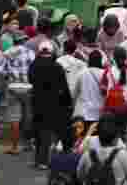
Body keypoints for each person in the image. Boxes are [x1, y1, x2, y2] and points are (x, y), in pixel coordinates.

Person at [29, 40, 73, 169]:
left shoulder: (33, 65)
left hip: (37, 102)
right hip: (53, 104)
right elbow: (64, 87)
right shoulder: (57, 66)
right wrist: (68, 102)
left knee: (38, 131)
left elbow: (30, 79)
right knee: (46, 133)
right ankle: (43, 161)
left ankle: (38, 160)